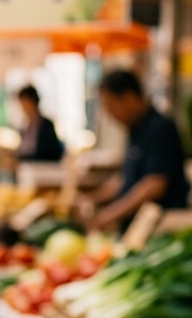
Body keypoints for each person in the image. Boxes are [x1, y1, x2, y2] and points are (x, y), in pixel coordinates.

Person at [78, 69, 190, 231]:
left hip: (158, 229)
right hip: (135, 228)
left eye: (110, 106)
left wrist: (109, 215)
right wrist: (93, 198)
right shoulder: (135, 129)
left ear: (129, 98)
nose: (109, 114)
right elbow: (127, 178)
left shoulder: (160, 128)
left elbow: (154, 185)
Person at [16, 85, 64, 162]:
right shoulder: (26, 126)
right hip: (28, 168)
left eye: (24, 104)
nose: (23, 108)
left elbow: (48, 154)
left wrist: (21, 158)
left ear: (32, 102)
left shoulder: (46, 125)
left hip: (41, 169)